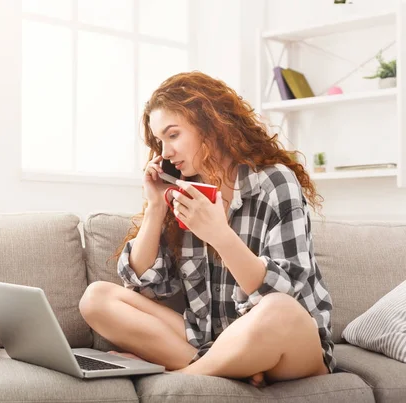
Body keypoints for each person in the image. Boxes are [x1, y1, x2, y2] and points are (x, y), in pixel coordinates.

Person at [78, 71, 334, 387]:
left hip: (288, 344)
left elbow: (282, 293)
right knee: (96, 298)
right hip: (209, 341)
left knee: (280, 310)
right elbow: (145, 285)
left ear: (212, 126)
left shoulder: (274, 182)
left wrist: (219, 235)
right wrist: (156, 207)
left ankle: (180, 376)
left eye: (173, 135)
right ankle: (229, 366)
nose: (166, 151)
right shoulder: (186, 193)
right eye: (160, 141)